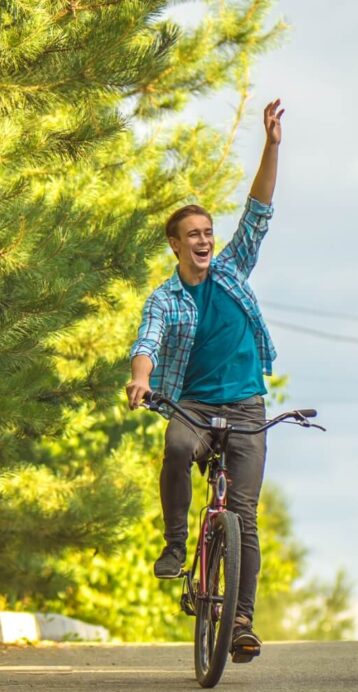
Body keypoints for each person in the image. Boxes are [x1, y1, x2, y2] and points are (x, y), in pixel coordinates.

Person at [125, 99, 286, 659]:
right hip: (191, 405)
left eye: (207, 231)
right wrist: (140, 380)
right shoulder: (166, 298)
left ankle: (240, 621)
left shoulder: (232, 271)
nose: (203, 239)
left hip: (246, 408)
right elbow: (146, 343)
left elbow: (260, 210)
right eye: (191, 233)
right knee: (174, 447)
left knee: (243, 516)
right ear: (174, 244)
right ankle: (174, 547)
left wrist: (272, 145)